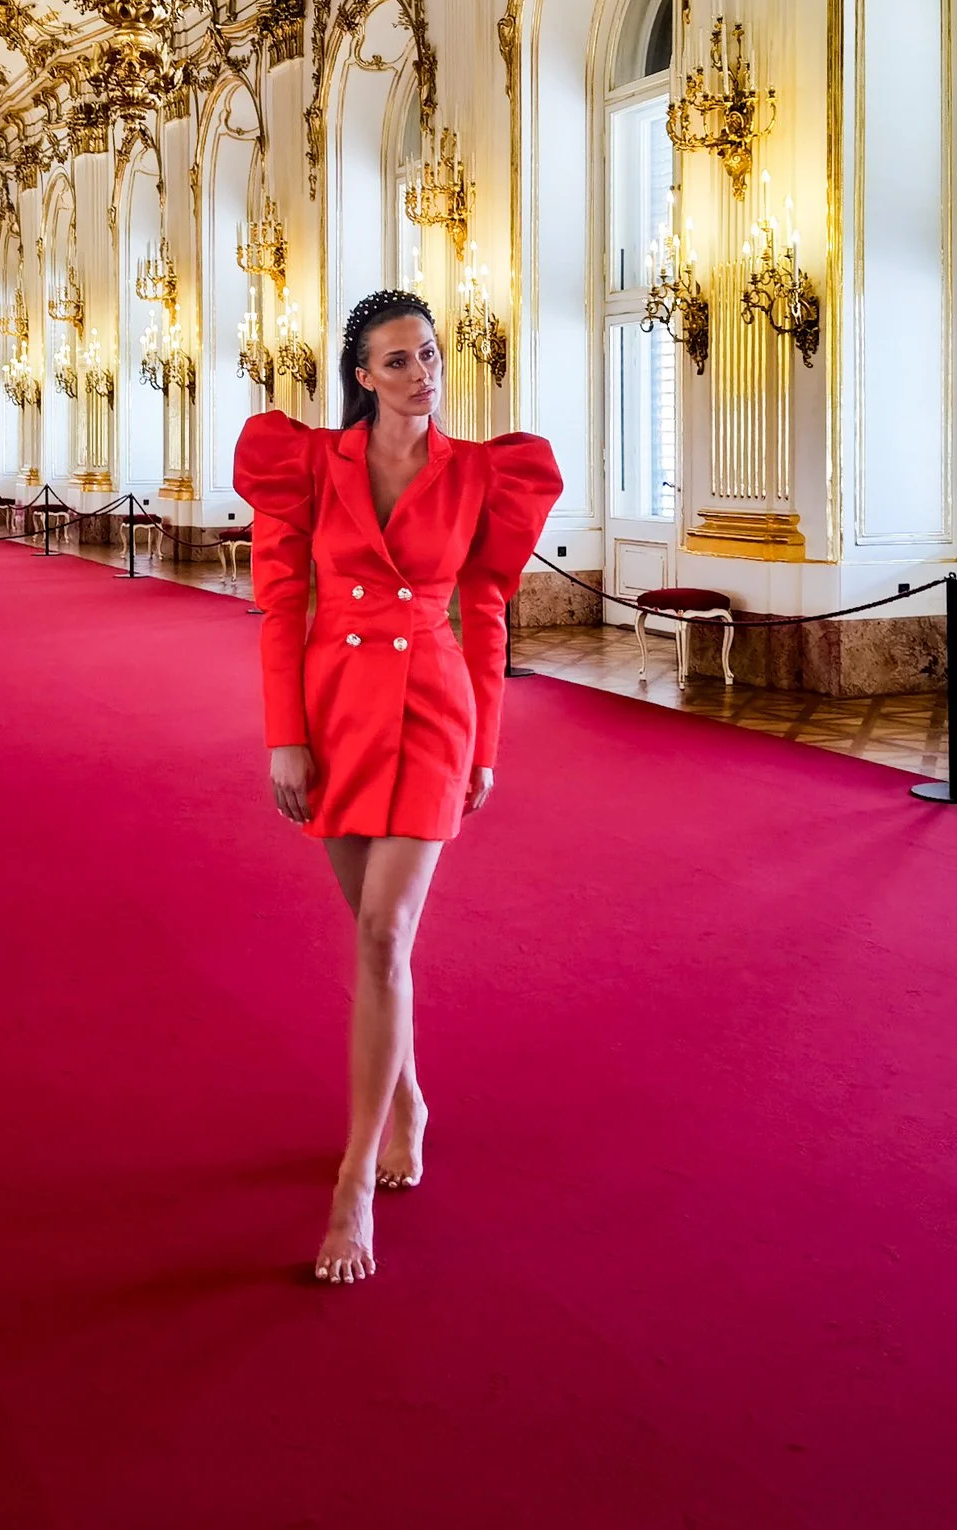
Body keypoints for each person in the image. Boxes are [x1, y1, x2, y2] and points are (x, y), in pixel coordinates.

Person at [233, 289, 561, 1286]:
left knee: (382, 935)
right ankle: (407, 1097)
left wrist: (486, 744)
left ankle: (353, 1183)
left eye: (430, 355)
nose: (423, 375)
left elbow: (487, 607)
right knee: (379, 939)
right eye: (399, 361)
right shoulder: (308, 465)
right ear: (362, 376)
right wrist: (285, 738)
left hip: (431, 710)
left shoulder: (482, 473)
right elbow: (281, 602)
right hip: (335, 710)